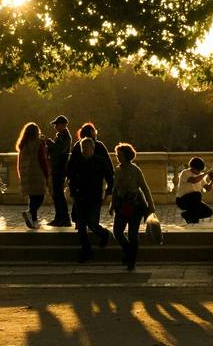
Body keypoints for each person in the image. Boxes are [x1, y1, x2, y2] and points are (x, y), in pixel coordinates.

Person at [66, 130, 113, 263]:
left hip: (94, 198)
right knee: (81, 227)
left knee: (93, 224)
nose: (85, 150)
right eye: (83, 148)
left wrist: (107, 194)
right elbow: (70, 177)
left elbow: (110, 179)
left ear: (93, 148)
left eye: (87, 148)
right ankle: (87, 252)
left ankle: (104, 234)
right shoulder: (76, 162)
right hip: (80, 197)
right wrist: (73, 193)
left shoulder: (100, 161)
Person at [110, 143, 156, 270]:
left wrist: (151, 205)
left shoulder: (135, 170)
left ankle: (131, 261)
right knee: (117, 232)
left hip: (135, 206)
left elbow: (145, 188)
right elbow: (115, 189)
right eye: (117, 155)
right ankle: (128, 251)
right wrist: (112, 205)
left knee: (132, 234)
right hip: (121, 205)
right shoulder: (117, 170)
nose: (117, 157)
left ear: (127, 155)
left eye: (120, 155)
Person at [15, 122, 50, 228]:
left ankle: (34, 221)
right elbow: (42, 160)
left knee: (32, 198)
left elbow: (19, 161)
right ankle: (30, 213)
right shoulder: (39, 143)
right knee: (40, 197)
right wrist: (47, 174)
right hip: (37, 173)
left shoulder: (23, 145)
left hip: (27, 174)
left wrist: (21, 174)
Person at [46, 114, 73, 226]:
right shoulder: (61, 136)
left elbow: (59, 150)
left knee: (59, 194)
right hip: (57, 168)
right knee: (56, 194)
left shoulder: (65, 136)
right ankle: (59, 218)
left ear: (63, 125)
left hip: (60, 168)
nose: (55, 126)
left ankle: (64, 218)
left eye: (57, 124)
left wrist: (49, 142)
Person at [175, 156, 213, 223]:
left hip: (195, 201)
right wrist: (205, 173)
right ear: (192, 167)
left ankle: (187, 215)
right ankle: (190, 217)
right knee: (197, 194)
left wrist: (212, 181)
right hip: (182, 200)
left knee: (209, 212)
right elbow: (194, 180)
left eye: (200, 170)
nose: (199, 172)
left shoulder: (200, 176)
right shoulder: (185, 172)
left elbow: (208, 188)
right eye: (198, 170)